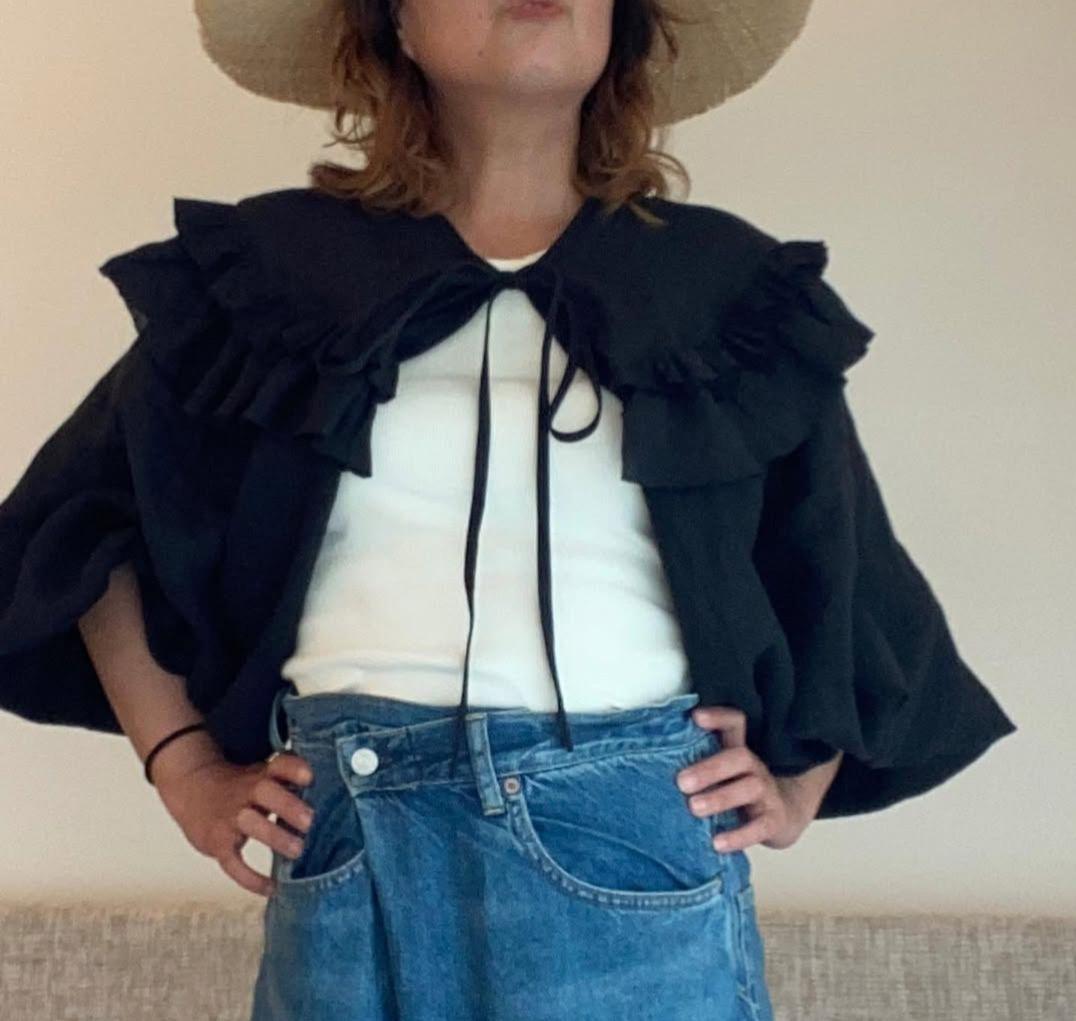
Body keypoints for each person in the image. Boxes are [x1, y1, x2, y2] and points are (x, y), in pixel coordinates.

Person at [0, 2, 1017, 1019]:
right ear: (396, 23)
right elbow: (84, 522)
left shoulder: (724, 289)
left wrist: (798, 786)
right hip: (347, 843)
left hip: (633, 839)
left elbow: (843, 571)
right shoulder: (267, 276)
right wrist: (182, 767)